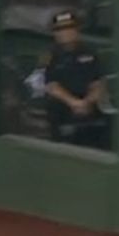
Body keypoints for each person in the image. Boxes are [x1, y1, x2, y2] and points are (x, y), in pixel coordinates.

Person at [44, 10, 109, 149]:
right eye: (60, 29)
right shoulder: (51, 56)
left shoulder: (89, 53)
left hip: (89, 108)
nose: (66, 33)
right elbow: (52, 86)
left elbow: (98, 82)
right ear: (55, 33)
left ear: (77, 30)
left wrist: (87, 102)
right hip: (63, 109)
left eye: (69, 28)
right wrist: (74, 103)